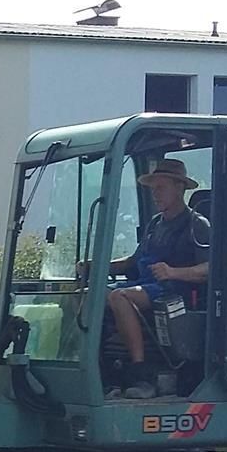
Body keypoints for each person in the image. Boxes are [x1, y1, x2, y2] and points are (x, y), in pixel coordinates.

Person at [89, 158, 212, 399]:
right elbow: (133, 263)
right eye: (152, 188)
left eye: (161, 188)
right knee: (90, 297)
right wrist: (95, 267)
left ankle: (140, 373)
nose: (155, 194)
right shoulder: (155, 225)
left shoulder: (197, 225)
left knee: (121, 297)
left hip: (177, 294)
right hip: (149, 287)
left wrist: (173, 272)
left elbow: (211, 269)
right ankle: (105, 371)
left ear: (180, 188)